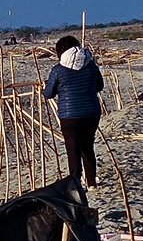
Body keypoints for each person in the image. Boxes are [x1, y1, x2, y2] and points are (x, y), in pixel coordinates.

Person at [42, 36, 104, 189]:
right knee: (87, 147)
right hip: (91, 113)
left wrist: (45, 86)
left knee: (73, 148)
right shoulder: (91, 66)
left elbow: (48, 93)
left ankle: (75, 184)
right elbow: (99, 86)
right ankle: (91, 183)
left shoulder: (58, 70)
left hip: (69, 115)